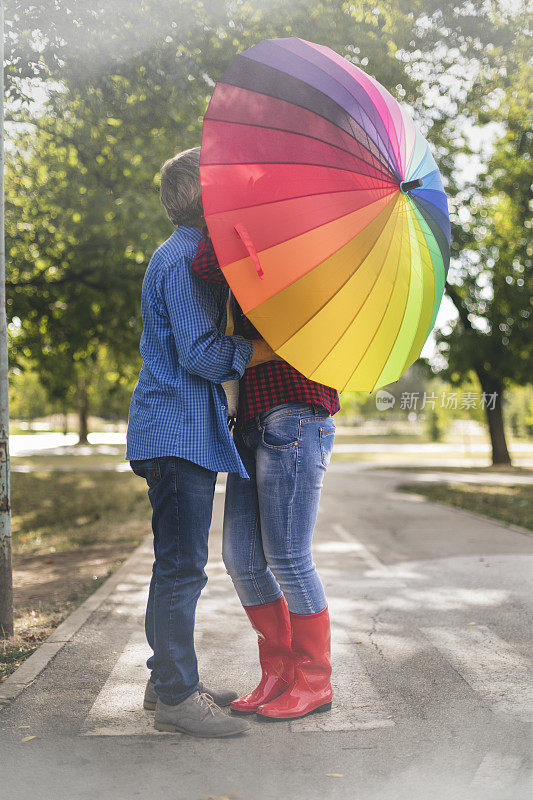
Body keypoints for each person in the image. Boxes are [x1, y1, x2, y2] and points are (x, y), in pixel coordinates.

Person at [126, 147, 277, 737]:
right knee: (183, 567)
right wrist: (257, 351)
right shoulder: (186, 259)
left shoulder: (187, 256)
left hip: (180, 431)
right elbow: (202, 356)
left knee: (176, 564)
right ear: (203, 198)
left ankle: (165, 678)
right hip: (177, 432)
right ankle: (177, 698)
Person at [191, 237, 340, 720]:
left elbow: (208, 262)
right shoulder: (256, 242)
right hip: (251, 421)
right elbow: (206, 266)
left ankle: (314, 681)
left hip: (295, 415)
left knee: (290, 559)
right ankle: (278, 673)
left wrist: (236, 226)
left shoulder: (308, 249)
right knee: (242, 559)